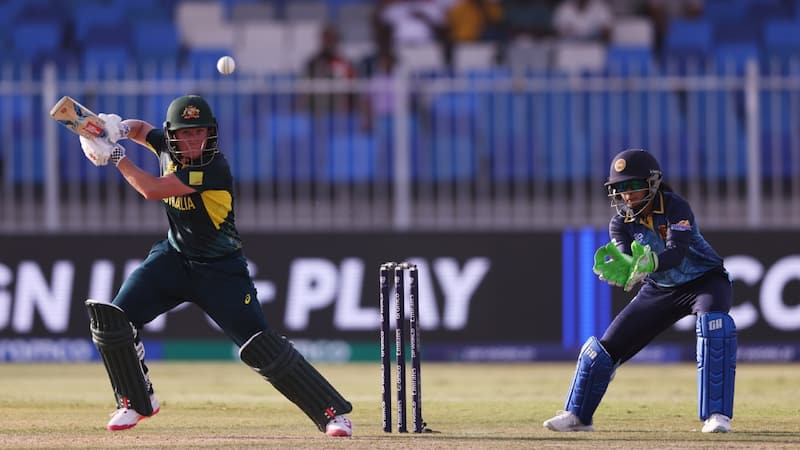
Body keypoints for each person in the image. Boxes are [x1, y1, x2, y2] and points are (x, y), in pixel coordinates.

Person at [77, 95, 354, 436]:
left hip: (221, 271)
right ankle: (135, 401)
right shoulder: (165, 145)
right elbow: (142, 129)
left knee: (260, 345)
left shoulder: (213, 168)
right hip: (174, 259)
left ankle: (332, 414)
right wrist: (118, 129)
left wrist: (116, 156)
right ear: (173, 135)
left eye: (200, 132)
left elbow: (151, 189)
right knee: (113, 320)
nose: (194, 140)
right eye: (186, 133)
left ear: (210, 133)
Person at [543, 148, 736, 433]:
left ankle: (717, 415)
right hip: (659, 288)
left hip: (705, 282)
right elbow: (627, 257)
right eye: (620, 188)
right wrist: (626, 268)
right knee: (603, 350)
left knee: (714, 329)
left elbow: (678, 252)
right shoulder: (620, 223)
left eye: (633, 185)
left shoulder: (675, 207)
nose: (627, 194)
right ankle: (578, 416)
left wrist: (651, 262)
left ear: (652, 183)